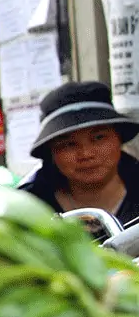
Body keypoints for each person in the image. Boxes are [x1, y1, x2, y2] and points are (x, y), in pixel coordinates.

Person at [20, 81, 139, 225]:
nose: (86, 154)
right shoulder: (29, 211)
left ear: (119, 137)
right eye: (69, 144)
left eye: (98, 137)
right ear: (51, 152)